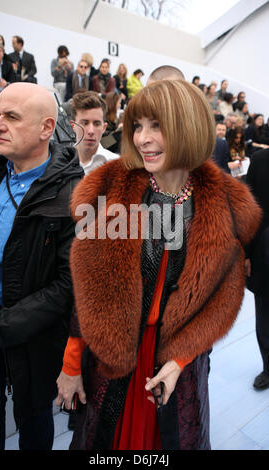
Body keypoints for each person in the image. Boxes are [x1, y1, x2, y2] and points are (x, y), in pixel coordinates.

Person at [67, 79, 261, 450]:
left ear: (187, 125)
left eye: (157, 125)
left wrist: (180, 359)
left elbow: (221, 299)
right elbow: (90, 290)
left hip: (178, 365)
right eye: (138, 126)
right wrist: (71, 363)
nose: (142, 138)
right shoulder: (114, 190)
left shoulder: (222, 206)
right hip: (115, 356)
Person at [0, 82, 83, 450]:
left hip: (34, 337)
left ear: (47, 128)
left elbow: (67, 285)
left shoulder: (75, 196)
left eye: (11, 117)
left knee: (34, 419)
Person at [55, 91, 118, 422]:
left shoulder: (115, 166)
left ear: (105, 125)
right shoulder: (55, 163)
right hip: (58, 271)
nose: (91, 130)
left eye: (97, 123)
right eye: (84, 123)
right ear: (71, 124)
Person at [246, 148, 269, 389]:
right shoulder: (259, 161)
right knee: (264, 314)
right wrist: (246, 254)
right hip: (263, 254)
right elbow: (249, 211)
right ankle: (268, 368)